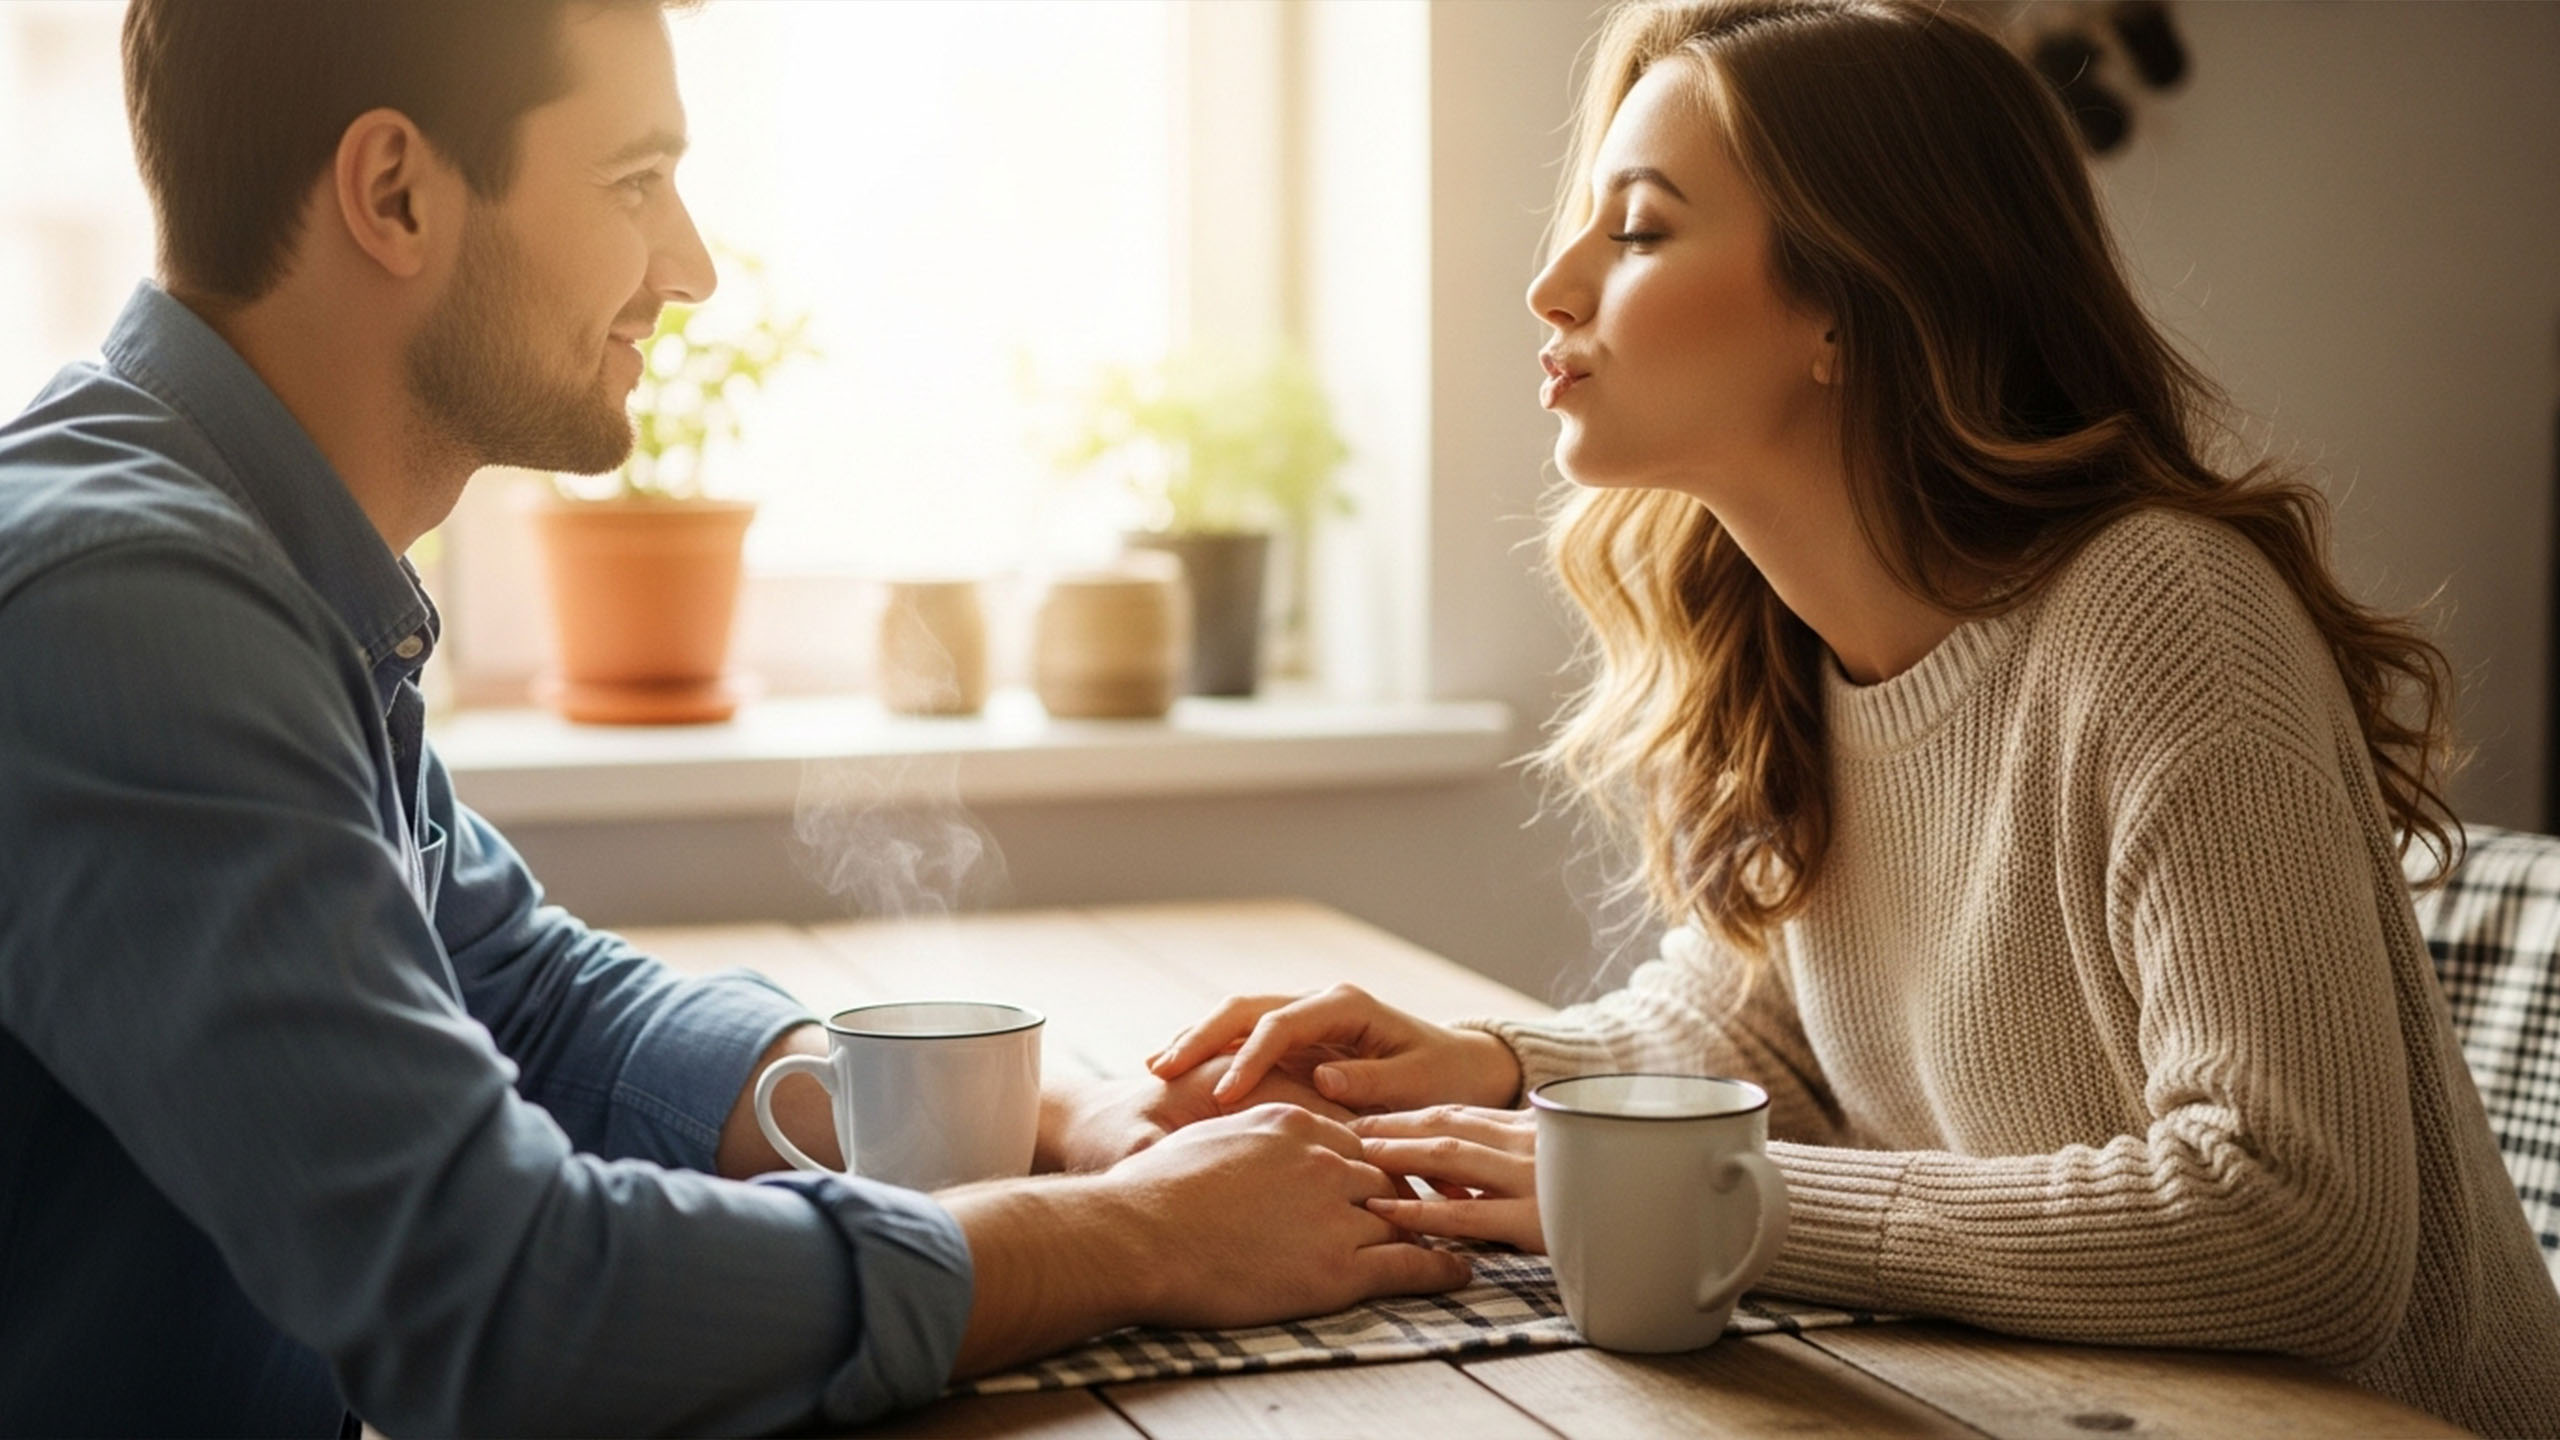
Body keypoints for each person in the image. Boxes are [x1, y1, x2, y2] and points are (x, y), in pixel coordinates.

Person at [0, 2, 1469, 1434]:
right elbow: (500, 1302)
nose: (690, 268)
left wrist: (1057, 1124)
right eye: (637, 180)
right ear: (394, 193)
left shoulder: (241, 560)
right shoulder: (129, 613)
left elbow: (525, 995)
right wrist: (1127, 1239)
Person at [1146, 0, 2560, 1432]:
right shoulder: (1802, 649)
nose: (1553, 286)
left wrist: (1703, 1200)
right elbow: (1778, 1039)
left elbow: (2294, 1227)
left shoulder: (2164, 619)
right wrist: (1505, 1068)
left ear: (1849, 304)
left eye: (1636, 232)